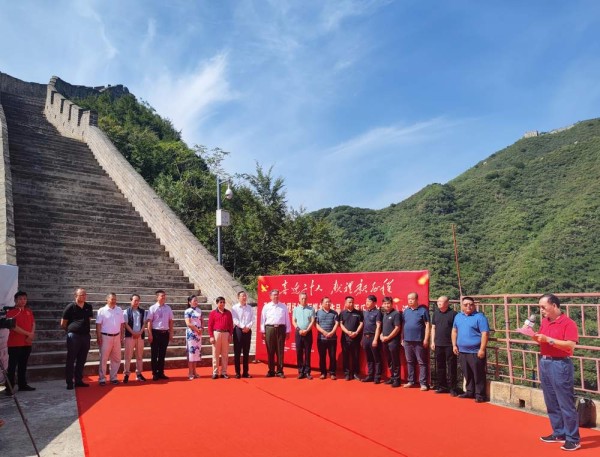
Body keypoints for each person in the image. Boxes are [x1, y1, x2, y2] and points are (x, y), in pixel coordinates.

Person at [533, 294, 580, 452]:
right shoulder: (545, 321)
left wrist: (548, 339)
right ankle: (559, 432)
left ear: (554, 305)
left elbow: (570, 345)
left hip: (560, 363)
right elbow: (542, 340)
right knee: (551, 400)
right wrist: (536, 337)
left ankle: (573, 438)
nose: (541, 310)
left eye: (543, 307)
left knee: (565, 402)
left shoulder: (568, 323)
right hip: (545, 361)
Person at [452, 296, 489, 403]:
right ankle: (469, 391)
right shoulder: (458, 316)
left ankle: (480, 395)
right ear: (462, 306)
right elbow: (454, 331)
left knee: (478, 374)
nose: (469, 306)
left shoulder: (480, 317)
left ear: (474, 305)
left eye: (471, 304)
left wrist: (482, 349)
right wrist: (454, 345)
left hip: (475, 351)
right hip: (462, 351)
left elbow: (485, 334)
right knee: (467, 373)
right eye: (466, 304)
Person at [61, 288, 93, 390]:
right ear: (76, 296)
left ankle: (78, 380)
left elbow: (88, 320)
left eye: (85, 294)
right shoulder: (70, 307)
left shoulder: (88, 306)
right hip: (74, 336)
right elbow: (63, 323)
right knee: (71, 359)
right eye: (81, 295)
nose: (84, 296)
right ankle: (69, 382)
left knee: (82, 360)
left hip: (85, 336)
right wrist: (71, 330)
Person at [5, 291, 36, 395]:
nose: (23, 301)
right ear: (15, 300)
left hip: (27, 343)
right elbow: (13, 327)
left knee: (23, 365)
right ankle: (9, 387)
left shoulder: (28, 311)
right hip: (15, 343)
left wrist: (31, 335)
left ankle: (22, 385)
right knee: (12, 366)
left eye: (24, 299)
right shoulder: (11, 312)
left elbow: (33, 323)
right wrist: (28, 334)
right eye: (20, 299)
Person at [402, 292, 431, 391]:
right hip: (407, 341)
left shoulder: (423, 311)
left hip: (419, 340)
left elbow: (427, 325)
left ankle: (423, 383)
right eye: (408, 299)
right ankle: (411, 381)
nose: (410, 301)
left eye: (412, 299)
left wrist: (426, 338)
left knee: (421, 362)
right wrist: (402, 338)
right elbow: (403, 325)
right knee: (409, 361)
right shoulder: (406, 311)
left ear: (417, 299)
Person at [431, 295, 458, 395]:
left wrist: (455, 344)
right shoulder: (435, 313)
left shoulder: (453, 314)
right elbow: (433, 328)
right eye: (438, 301)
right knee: (440, 365)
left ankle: (453, 388)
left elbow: (456, 329)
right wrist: (432, 341)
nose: (438, 303)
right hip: (438, 343)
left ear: (447, 303)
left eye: (441, 301)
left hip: (450, 344)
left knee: (451, 366)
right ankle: (442, 386)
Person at [260, 289, 291, 378]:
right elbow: (263, 319)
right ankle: (271, 370)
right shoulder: (266, 306)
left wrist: (288, 331)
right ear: (270, 296)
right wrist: (263, 331)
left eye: (277, 294)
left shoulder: (283, 306)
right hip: (269, 329)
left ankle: (280, 371)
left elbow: (287, 319)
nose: (276, 296)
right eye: (274, 295)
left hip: (281, 329)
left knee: (280, 351)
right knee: (270, 350)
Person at [96, 292, 124, 385]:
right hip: (105, 337)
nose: (114, 301)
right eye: (112, 299)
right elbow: (98, 325)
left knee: (116, 358)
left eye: (115, 299)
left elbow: (122, 324)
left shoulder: (119, 310)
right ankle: (102, 379)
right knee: (103, 358)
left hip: (117, 337)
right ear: (107, 300)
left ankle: (113, 377)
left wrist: (122, 335)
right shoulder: (102, 310)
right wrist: (99, 337)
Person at [147, 290, 174, 381]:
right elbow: (149, 322)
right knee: (154, 354)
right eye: (161, 296)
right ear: (157, 297)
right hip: (155, 333)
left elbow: (171, 321)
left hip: (165, 333)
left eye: (164, 295)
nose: (163, 297)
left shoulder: (168, 308)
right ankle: (154, 373)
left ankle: (161, 372)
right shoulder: (152, 308)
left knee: (162, 354)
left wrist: (171, 333)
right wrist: (150, 334)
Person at [123, 294, 147, 383]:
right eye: (135, 300)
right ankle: (126, 374)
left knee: (139, 356)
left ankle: (139, 374)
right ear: (131, 301)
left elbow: (144, 323)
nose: (136, 302)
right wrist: (133, 333)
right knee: (128, 356)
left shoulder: (143, 312)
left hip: (140, 336)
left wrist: (140, 332)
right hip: (130, 336)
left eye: (138, 300)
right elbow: (125, 324)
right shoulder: (126, 311)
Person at [208, 296, 233, 379]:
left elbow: (231, 325)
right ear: (217, 303)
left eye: (223, 302)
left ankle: (224, 372)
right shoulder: (213, 313)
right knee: (215, 354)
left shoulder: (228, 313)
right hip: (216, 333)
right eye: (220, 302)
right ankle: (215, 372)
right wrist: (211, 336)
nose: (222, 304)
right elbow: (210, 325)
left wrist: (230, 335)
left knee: (225, 354)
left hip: (226, 334)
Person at [338, 296, 363, 381]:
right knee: (346, 357)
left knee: (356, 356)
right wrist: (348, 332)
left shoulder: (358, 313)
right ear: (345, 303)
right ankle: (347, 374)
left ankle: (355, 373)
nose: (351, 303)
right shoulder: (342, 313)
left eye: (352, 302)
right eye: (349, 302)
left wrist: (356, 332)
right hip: (345, 339)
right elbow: (340, 324)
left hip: (356, 338)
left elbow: (361, 323)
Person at [380, 296, 402, 388]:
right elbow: (383, 328)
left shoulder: (396, 314)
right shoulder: (384, 314)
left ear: (392, 304)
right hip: (385, 341)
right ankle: (392, 377)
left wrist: (388, 337)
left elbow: (397, 328)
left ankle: (397, 380)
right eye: (385, 303)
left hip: (393, 341)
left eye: (388, 303)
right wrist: (381, 335)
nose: (386, 305)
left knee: (395, 360)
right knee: (389, 360)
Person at [292, 292, 315, 379]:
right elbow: (294, 321)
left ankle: (307, 372)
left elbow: (312, 321)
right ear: (299, 299)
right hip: (298, 333)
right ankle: (301, 371)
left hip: (308, 333)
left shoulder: (311, 309)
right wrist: (299, 329)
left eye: (305, 298)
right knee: (299, 352)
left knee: (308, 352)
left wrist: (307, 330)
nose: (304, 300)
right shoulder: (296, 309)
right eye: (302, 298)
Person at [231, 291, 254, 379]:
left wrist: (248, 327)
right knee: (237, 352)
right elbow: (235, 319)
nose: (244, 297)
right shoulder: (235, 308)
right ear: (238, 297)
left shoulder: (250, 308)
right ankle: (237, 372)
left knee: (246, 352)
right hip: (238, 331)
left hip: (248, 330)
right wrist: (243, 326)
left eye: (245, 296)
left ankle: (245, 372)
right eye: (242, 296)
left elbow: (252, 319)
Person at [316, 297, 339, 380]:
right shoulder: (318, 313)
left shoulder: (334, 313)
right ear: (322, 304)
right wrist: (323, 332)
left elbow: (337, 323)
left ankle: (332, 373)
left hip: (332, 339)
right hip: (321, 339)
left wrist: (332, 332)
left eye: (329, 302)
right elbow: (316, 324)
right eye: (326, 302)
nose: (328, 303)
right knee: (322, 356)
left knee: (332, 357)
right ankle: (323, 373)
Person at [361, 295, 382, 384]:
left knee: (376, 358)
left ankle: (377, 377)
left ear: (374, 303)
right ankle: (370, 375)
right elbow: (364, 326)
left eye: (369, 301)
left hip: (373, 337)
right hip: (365, 337)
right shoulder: (365, 312)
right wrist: (362, 339)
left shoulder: (378, 312)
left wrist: (376, 339)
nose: (367, 303)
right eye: (366, 301)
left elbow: (378, 327)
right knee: (369, 358)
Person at [184, 294, 203, 380]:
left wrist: (201, 328)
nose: (196, 302)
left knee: (196, 352)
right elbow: (188, 323)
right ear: (189, 302)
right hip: (191, 333)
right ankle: (190, 372)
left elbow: (202, 321)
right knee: (191, 352)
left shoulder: (199, 310)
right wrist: (196, 329)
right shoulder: (187, 311)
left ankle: (195, 371)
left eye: (196, 300)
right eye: (194, 300)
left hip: (198, 333)